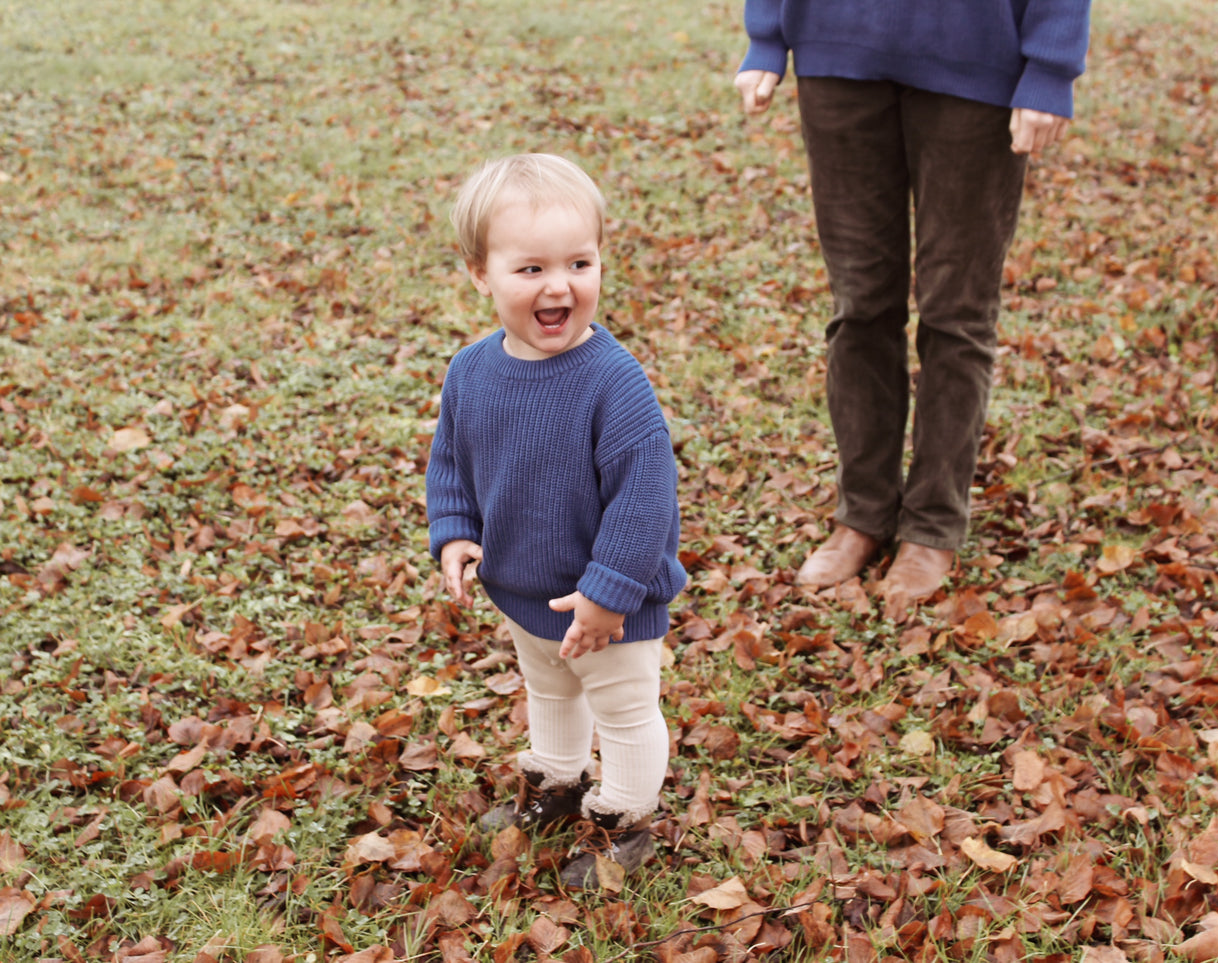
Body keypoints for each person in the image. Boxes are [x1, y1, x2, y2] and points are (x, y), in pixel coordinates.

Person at [735, 0, 1091, 618]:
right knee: (861, 307)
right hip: (837, 50)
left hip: (977, 57)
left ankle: (931, 525)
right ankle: (863, 514)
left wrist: (1052, 64)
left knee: (957, 313)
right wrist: (767, 34)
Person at [426, 153, 686, 888]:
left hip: (608, 602)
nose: (559, 285)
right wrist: (453, 529)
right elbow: (452, 460)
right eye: (530, 268)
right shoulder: (471, 372)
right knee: (549, 690)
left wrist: (609, 595)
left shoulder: (614, 384)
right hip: (524, 588)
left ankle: (625, 820)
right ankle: (558, 781)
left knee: (625, 708)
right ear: (481, 272)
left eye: (579, 261)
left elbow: (645, 497)